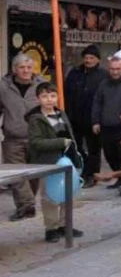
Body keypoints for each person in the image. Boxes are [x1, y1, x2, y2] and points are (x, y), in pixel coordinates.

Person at [26, 81, 85, 242]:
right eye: (44, 96)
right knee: (50, 196)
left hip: (66, 161)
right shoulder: (36, 120)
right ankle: (51, 228)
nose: (49, 100)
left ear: (57, 97)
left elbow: (70, 136)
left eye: (52, 96)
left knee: (68, 193)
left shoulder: (61, 114)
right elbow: (36, 142)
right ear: (38, 99)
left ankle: (65, 225)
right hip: (48, 162)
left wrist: (76, 155)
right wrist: (60, 142)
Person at [1, 54, 47, 220]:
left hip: (37, 137)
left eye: (29, 67)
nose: (26, 71)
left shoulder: (42, 85)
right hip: (12, 137)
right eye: (22, 67)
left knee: (33, 174)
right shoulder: (3, 86)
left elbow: (50, 108)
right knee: (17, 174)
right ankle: (26, 206)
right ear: (14, 69)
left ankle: (28, 203)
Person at [92, 52, 121, 197]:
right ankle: (119, 179)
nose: (115, 72)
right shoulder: (104, 84)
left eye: (118, 69)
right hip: (106, 126)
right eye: (112, 69)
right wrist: (95, 121)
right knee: (109, 155)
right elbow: (97, 102)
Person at [64, 45, 107, 188]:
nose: (88, 60)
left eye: (92, 58)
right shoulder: (75, 73)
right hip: (75, 117)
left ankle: (92, 175)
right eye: (86, 57)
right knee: (76, 147)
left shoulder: (103, 75)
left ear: (98, 60)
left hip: (93, 119)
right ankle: (82, 172)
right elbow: (66, 92)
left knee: (93, 149)